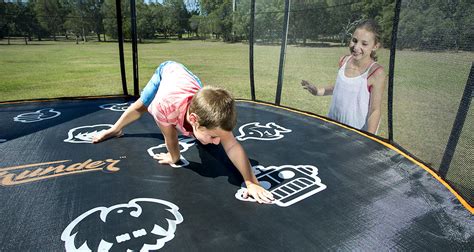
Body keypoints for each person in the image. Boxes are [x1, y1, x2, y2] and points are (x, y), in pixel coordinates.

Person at [93, 61, 274, 204]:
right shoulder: (164, 107)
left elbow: (233, 145)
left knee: (209, 129)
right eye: (213, 136)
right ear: (194, 120)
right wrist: (174, 157)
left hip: (188, 79)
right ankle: (115, 129)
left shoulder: (212, 118)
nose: (218, 142)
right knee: (142, 104)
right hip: (166, 72)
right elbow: (170, 136)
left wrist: (251, 182)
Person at [301, 19, 386, 134]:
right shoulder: (343, 60)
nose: (356, 47)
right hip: (332, 127)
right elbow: (339, 88)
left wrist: (369, 141)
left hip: (355, 136)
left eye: (364, 44)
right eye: (354, 40)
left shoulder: (376, 72)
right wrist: (317, 91)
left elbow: (375, 110)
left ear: (375, 46)